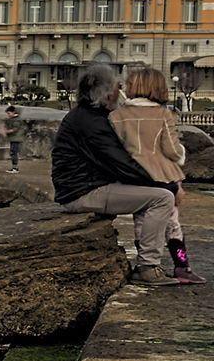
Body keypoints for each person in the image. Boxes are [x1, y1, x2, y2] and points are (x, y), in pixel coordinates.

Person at [53, 62, 184, 286]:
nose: (120, 92)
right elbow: (123, 165)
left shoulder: (87, 117)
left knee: (155, 195)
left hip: (81, 188)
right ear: (105, 92)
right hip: (82, 193)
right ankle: (148, 267)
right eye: (116, 87)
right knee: (162, 199)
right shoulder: (92, 123)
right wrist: (168, 186)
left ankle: (151, 263)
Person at [110, 68, 199, 283]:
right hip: (161, 176)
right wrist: (181, 161)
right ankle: (182, 267)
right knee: (172, 224)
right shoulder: (162, 114)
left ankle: (144, 265)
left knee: (142, 222)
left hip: (132, 178)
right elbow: (172, 151)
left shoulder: (116, 115)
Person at [2, 103, 25, 171]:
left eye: (9, 113)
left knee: (14, 152)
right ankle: (14, 167)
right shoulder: (14, 119)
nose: (8, 115)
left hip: (16, 138)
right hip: (14, 138)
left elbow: (15, 129)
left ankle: (15, 167)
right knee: (13, 152)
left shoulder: (16, 120)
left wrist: (6, 131)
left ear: (13, 112)